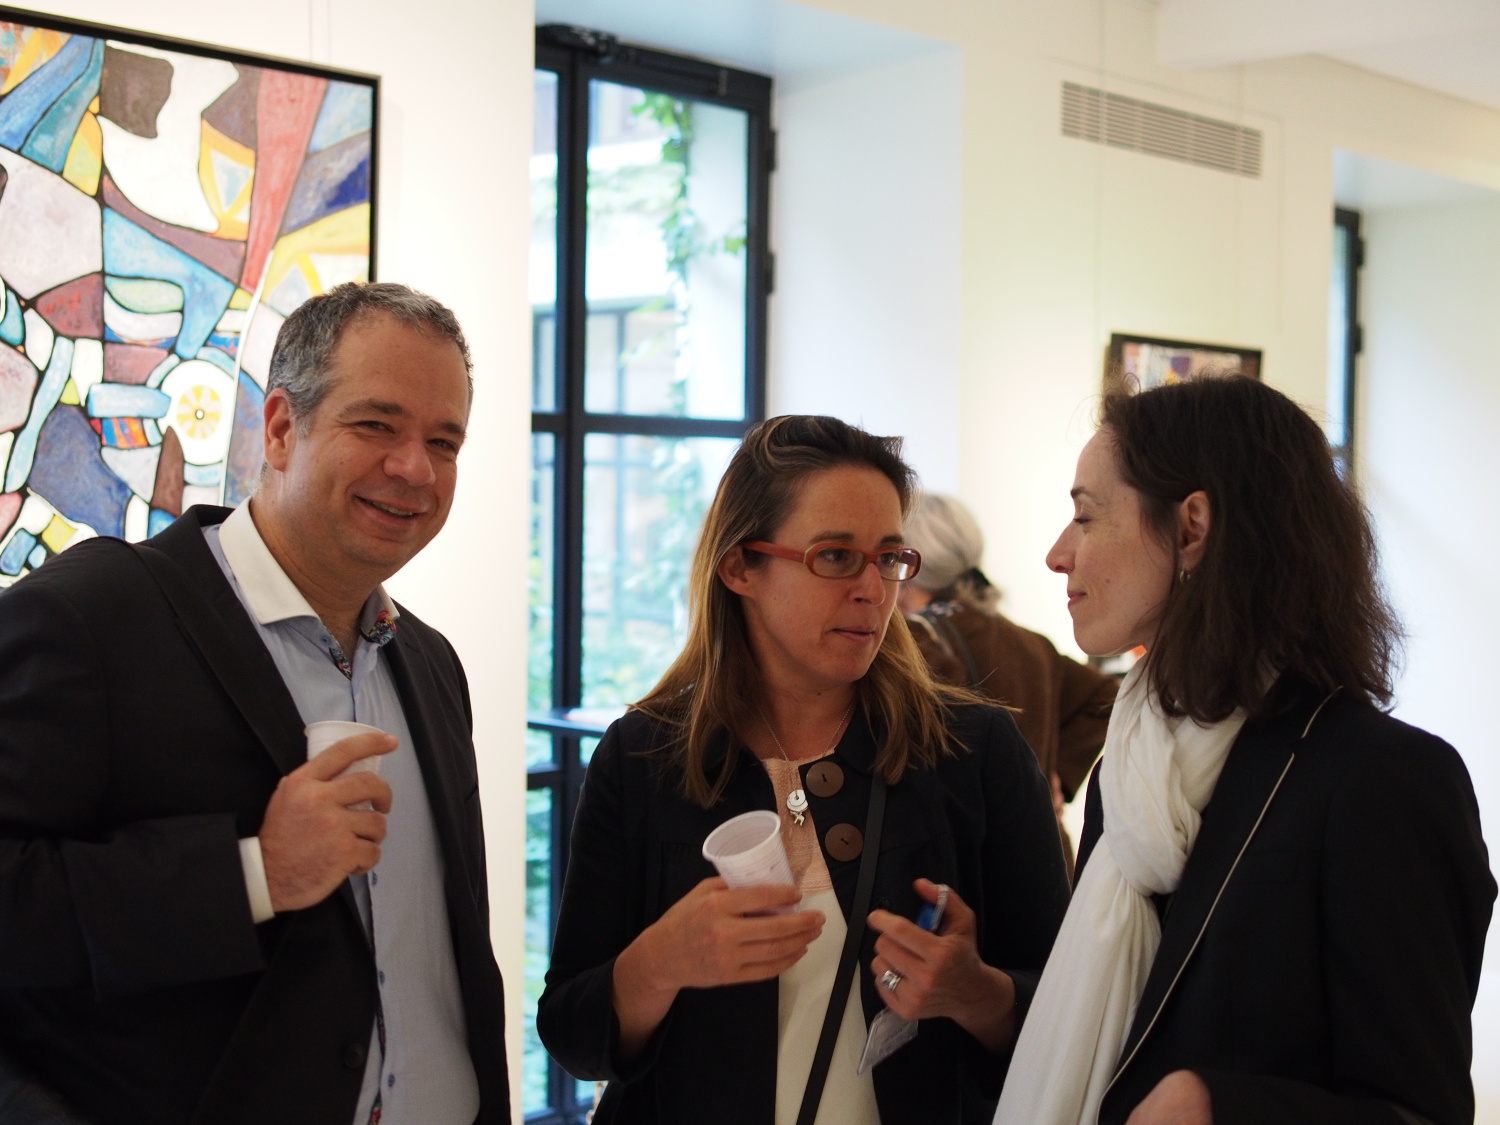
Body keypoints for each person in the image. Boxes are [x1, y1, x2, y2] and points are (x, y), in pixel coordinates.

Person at [0, 282, 511, 1124]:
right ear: (279, 428)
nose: (415, 468)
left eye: (443, 441)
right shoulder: (92, 617)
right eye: (376, 425)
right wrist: (253, 874)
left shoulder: (431, 664)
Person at [538, 415, 1070, 1123]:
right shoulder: (643, 758)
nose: (873, 589)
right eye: (835, 556)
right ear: (740, 567)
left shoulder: (972, 750)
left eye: (888, 557)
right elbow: (573, 1035)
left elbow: (1072, 1020)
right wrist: (658, 964)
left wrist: (977, 993)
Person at [995, 376, 1495, 1125]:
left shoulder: (1382, 780)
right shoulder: (1127, 771)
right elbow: (1112, 1035)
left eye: (1086, 516)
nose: (1057, 554)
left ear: (1191, 527)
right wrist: (983, 997)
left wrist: (1222, 1107)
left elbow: (1419, 1111)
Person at [900, 491, 1116, 868]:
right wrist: (1056, 777)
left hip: (969, 865)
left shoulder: (913, 642)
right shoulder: (1029, 642)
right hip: (1044, 855)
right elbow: (1106, 697)